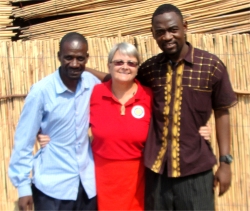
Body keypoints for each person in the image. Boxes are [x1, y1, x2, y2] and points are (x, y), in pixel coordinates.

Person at [84, 4, 237, 211]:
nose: (167, 37)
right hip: (156, 173)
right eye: (160, 32)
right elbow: (121, 78)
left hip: (196, 170)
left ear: (184, 26)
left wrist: (225, 162)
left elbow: (222, 111)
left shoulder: (211, 66)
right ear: (153, 34)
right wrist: (81, 67)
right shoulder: (150, 68)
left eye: (173, 29)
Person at [38, 42, 213, 210]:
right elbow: (66, 114)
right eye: (119, 62)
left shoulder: (149, 96)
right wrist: (44, 133)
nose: (125, 66)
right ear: (109, 65)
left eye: (131, 63)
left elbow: (171, 120)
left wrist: (200, 129)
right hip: (99, 177)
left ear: (137, 69)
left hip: (138, 178)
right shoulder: (95, 93)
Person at [8, 32, 99, 211]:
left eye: (80, 58)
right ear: (58, 56)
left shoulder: (92, 84)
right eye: (68, 58)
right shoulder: (41, 92)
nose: (74, 64)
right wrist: (23, 187)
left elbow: (116, 80)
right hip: (52, 187)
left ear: (87, 58)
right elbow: (24, 140)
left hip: (87, 185)